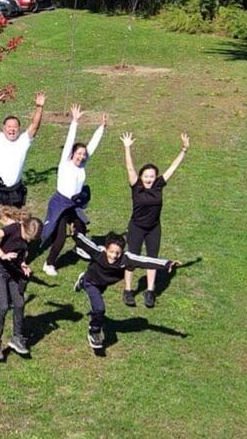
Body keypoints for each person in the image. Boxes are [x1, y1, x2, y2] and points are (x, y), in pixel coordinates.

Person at [72, 231, 180, 350]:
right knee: (99, 308)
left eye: (117, 253)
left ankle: (81, 281)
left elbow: (145, 261)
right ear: (106, 249)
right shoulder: (98, 252)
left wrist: (167, 263)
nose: (113, 256)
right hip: (91, 283)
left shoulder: (126, 259)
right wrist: (75, 233)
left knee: (97, 307)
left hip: (103, 284)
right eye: (111, 252)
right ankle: (94, 331)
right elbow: (83, 241)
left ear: (122, 252)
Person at [121, 132, 189, 308]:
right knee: (131, 259)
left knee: (152, 258)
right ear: (141, 177)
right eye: (146, 176)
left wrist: (184, 150)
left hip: (153, 228)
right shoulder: (136, 186)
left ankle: (150, 291)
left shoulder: (159, 185)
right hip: (136, 227)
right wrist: (127, 147)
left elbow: (172, 168)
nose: (149, 179)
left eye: (152, 176)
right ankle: (128, 290)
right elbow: (130, 168)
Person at [40, 105, 106, 276]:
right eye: (78, 154)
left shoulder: (82, 164)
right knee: (60, 237)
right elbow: (70, 141)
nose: (82, 156)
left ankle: (80, 248)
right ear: (72, 154)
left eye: (84, 154)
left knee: (81, 227)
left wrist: (101, 128)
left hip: (73, 204)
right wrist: (74, 121)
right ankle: (49, 263)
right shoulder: (65, 163)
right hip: (61, 204)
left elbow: (92, 146)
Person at [0, 208, 43, 361]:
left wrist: (23, 264)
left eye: (31, 240)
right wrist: (3, 255)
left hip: (14, 271)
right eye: (27, 237)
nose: (28, 241)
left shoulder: (28, 237)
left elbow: (20, 253)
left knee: (19, 303)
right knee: (3, 305)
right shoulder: (14, 228)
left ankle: (17, 338)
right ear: (23, 226)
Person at [0, 90, 46, 207]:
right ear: (4, 128)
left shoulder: (23, 141)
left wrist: (39, 107)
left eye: (15, 127)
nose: (12, 129)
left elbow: (34, 126)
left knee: (16, 223)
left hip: (14, 192)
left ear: (19, 129)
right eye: (9, 127)